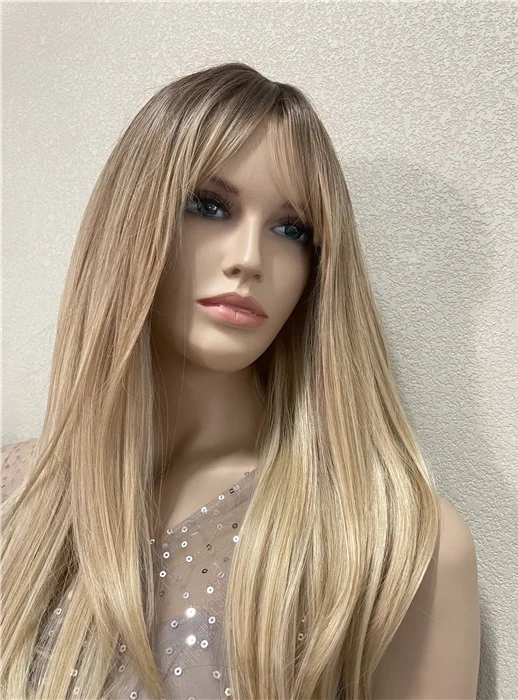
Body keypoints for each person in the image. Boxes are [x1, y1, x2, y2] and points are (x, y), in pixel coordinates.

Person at [1, 61, 480, 700]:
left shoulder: (393, 547)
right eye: (209, 206)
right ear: (130, 224)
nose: (249, 258)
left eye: (291, 229)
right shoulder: (17, 498)